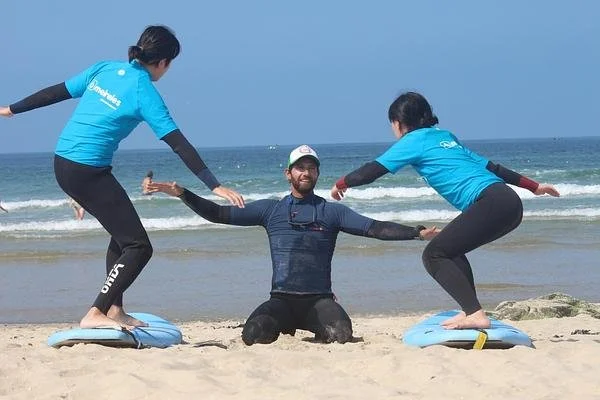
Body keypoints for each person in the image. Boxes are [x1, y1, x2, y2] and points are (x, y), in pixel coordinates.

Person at [0, 25, 244, 329]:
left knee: (123, 235)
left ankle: (114, 309)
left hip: (65, 162)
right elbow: (179, 143)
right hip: (86, 171)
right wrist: (215, 185)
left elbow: (56, 92)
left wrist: (12, 109)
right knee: (140, 246)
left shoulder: (105, 69)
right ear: (163, 62)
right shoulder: (145, 93)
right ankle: (96, 311)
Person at [145, 145, 439, 345]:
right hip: (281, 301)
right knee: (252, 335)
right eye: (300, 167)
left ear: (317, 174)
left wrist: (415, 232)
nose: (306, 172)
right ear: (289, 173)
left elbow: (374, 228)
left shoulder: (332, 212)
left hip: (319, 301)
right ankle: (281, 327)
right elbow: (219, 214)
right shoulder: (270, 211)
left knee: (341, 335)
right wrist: (182, 193)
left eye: (311, 167)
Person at [330, 91, 560, 330]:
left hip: (490, 202)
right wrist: (534, 187)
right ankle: (470, 310)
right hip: (508, 202)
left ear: (398, 123)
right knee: (451, 249)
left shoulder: (412, 141)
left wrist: (341, 183)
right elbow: (492, 167)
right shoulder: (445, 137)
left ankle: (475, 313)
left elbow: (372, 171)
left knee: (434, 254)